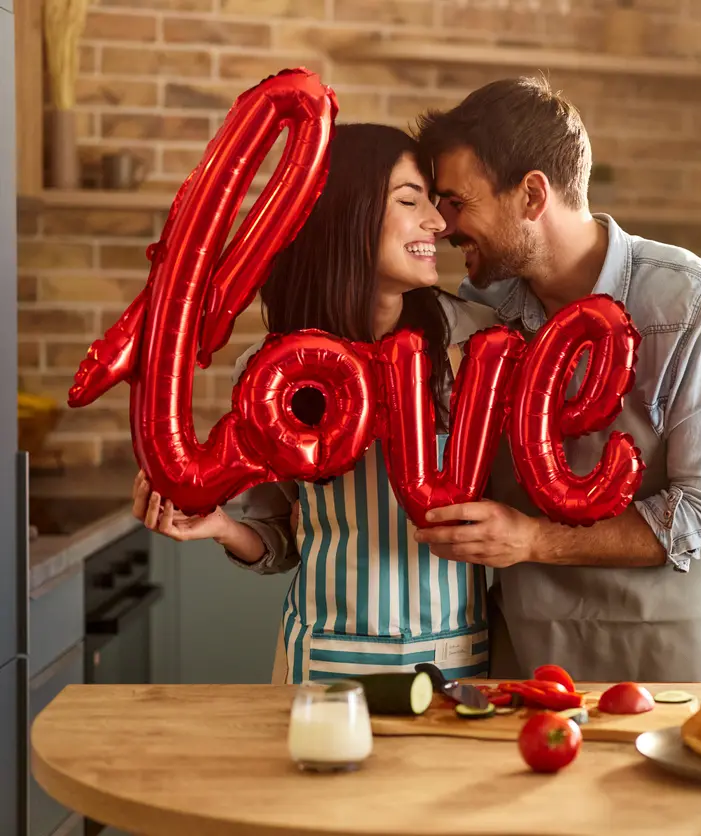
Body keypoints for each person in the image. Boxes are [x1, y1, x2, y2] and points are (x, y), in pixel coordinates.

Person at [410, 77, 701, 684]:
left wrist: (531, 541)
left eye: (457, 202)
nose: (444, 226)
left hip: (662, 664)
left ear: (530, 195)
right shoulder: (483, 309)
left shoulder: (697, 306)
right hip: (523, 655)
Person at [131, 123, 500, 684]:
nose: (438, 222)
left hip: (457, 658)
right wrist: (219, 526)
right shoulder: (273, 375)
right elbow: (279, 540)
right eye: (410, 200)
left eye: (434, 200)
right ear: (344, 215)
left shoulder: (480, 345)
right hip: (322, 665)